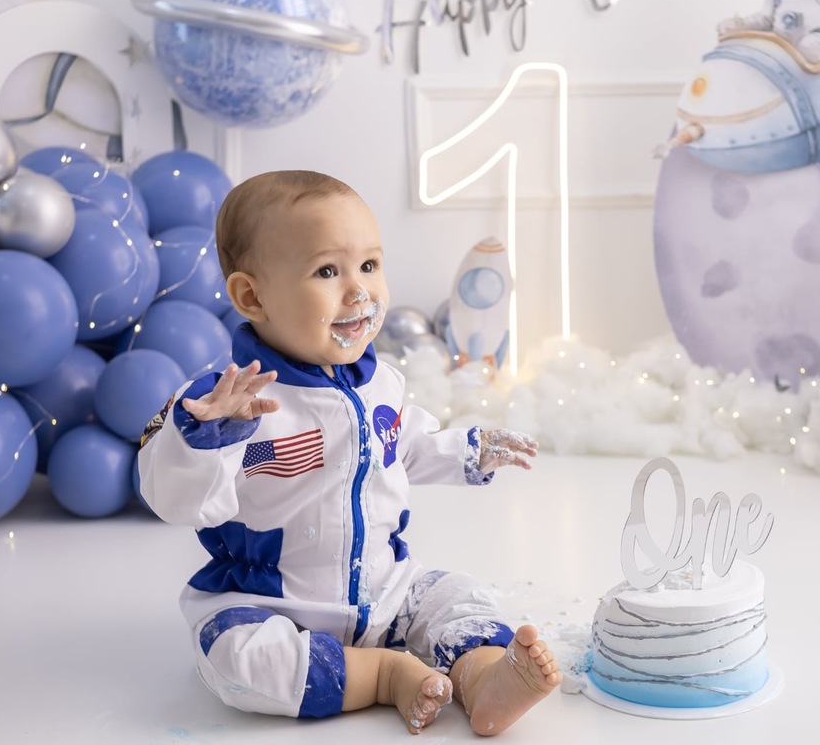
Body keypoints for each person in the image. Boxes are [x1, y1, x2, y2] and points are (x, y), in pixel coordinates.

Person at [138, 170, 561, 736]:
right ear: (252, 295)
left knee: (453, 596)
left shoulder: (379, 383)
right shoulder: (225, 405)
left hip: (384, 592)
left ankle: (485, 676)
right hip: (273, 605)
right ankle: (385, 675)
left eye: (369, 266)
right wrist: (207, 441)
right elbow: (176, 497)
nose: (359, 291)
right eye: (327, 271)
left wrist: (467, 450)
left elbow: (402, 444)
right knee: (238, 660)